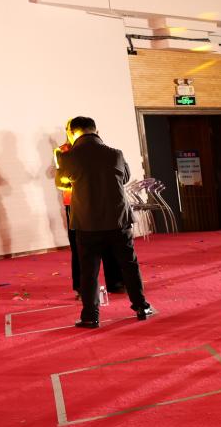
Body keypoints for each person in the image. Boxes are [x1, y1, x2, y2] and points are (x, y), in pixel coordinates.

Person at [54, 116, 154, 328]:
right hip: (117, 219)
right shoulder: (115, 153)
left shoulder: (68, 157)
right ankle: (141, 307)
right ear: (96, 131)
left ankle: (90, 316)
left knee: (89, 271)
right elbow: (124, 178)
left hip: (87, 222)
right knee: (129, 265)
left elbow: (61, 183)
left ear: (72, 133)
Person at [53, 133, 124, 300]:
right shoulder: (63, 152)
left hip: (102, 202)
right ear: (70, 132)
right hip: (76, 203)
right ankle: (82, 288)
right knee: (81, 249)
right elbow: (62, 181)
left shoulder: (106, 150)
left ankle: (116, 282)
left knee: (109, 244)